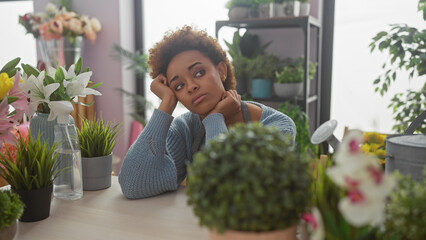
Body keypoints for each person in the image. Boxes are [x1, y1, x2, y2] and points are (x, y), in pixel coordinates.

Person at [119, 26, 296, 199]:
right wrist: (166, 104)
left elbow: (227, 194)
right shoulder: (184, 128)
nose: (191, 86)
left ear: (221, 71)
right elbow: (132, 184)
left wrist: (214, 120)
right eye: (179, 86)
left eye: (199, 73)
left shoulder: (277, 126)